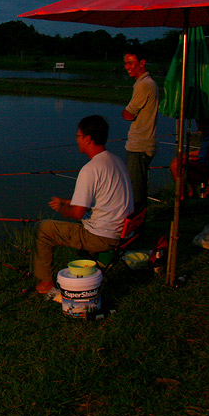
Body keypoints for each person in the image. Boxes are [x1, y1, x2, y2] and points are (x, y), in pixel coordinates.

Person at [32, 115, 134, 294]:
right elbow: (103, 198)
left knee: (43, 229)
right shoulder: (116, 160)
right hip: (124, 231)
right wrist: (68, 201)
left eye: (78, 136)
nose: (76, 140)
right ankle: (95, 264)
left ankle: (46, 284)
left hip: (103, 237)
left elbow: (78, 213)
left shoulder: (90, 169)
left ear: (87, 138)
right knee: (80, 219)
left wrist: (62, 208)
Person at [121, 49, 158, 211]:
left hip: (140, 146)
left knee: (135, 192)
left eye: (130, 63)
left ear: (142, 63)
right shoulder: (144, 83)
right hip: (140, 144)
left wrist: (126, 112)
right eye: (125, 63)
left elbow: (128, 114)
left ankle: (136, 227)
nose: (127, 67)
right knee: (136, 187)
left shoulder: (144, 85)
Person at [170, 118, 209, 198]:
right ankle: (192, 192)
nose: (197, 127)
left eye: (199, 124)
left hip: (207, 171)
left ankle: (182, 196)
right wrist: (187, 155)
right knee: (180, 159)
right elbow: (206, 151)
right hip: (204, 163)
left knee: (176, 165)